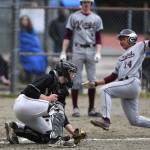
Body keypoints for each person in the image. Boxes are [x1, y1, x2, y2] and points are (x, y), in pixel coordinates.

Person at [5, 60, 86, 146]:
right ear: (64, 72)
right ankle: (56, 140)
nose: (73, 75)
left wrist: (73, 132)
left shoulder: (62, 89)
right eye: (71, 72)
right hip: (23, 103)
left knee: (47, 136)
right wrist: (46, 98)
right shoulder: (49, 77)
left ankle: (15, 128)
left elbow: (61, 115)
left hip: (30, 112)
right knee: (57, 107)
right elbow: (29, 90)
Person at [89, 29, 150, 130]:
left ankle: (105, 120)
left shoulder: (139, 46)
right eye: (120, 39)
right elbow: (113, 76)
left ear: (131, 39)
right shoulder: (121, 58)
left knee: (105, 90)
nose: (120, 41)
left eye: (123, 39)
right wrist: (96, 83)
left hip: (132, 82)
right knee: (134, 120)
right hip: (125, 86)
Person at [60, 0, 103, 117]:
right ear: (81, 3)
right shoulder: (74, 17)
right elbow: (67, 35)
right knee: (75, 79)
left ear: (91, 4)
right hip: (77, 49)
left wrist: (98, 52)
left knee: (91, 80)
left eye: (88, 2)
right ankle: (75, 108)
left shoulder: (96, 18)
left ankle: (91, 109)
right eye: (84, 2)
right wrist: (63, 51)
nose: (86, 4)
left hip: (91, 49)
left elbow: (99, 38)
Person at [18, 15, 47, 83]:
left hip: (34, 50)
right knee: (33, 62)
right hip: (25, 52)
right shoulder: (19, 30)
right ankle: (31, 80)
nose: (24, 21)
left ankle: (40, 80)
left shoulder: (31, 30)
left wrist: (35, 49)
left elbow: (35, 41)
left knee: (42, 58)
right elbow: (22, 42)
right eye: (23, 20)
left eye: (26, 20)